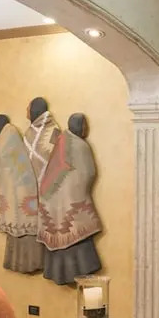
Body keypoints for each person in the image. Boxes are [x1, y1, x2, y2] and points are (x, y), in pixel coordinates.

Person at [37, 113, 102, 284]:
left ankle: (57, 272)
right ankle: (79, 269)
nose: (86, 129)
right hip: (71, 200)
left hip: (51, 201)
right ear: (80, 127)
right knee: (75, 231)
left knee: (59, 230)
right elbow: (89, 172)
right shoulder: (80, 145)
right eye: (85, 126)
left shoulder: (61, 141)